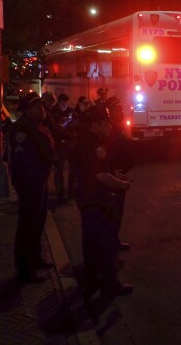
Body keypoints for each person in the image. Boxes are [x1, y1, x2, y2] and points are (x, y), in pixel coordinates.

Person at [72, 104, 134, 298]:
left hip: (86, 196)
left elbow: (99, 170)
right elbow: (100, 176)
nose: (110, 125)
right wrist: (122, 185)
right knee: (105, 242)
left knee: (91, 242)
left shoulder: (88, 141)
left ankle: (92, 279)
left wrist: (114, 174)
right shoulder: (94, 146)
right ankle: (110, 284)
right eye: (106, 121)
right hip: (94, 199)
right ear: (96, 124)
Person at [9, 92, 55, 283]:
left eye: (42, 106)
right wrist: (30, 182)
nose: (41, 109)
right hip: (30, 184)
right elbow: (22, 161)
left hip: (39, 181)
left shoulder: (36, 126)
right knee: (28, 225)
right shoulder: (22, 129)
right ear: (27, 110)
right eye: (37, 107)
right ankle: (25, 270)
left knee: (38, 222)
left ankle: (36, 259)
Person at [106, 95, 135, 251]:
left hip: (119, 174)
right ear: (111, 110)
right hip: (113, 177)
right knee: (112, 212)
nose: (121, 110)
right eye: (118, 108)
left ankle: (114, 240)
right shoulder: (109, 129)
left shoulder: (117, 126)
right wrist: (113, 172)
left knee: (117, 212)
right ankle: (110, 244)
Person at [50, 93, 75, 203]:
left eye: (66, 103)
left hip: (70, 143)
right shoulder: (53, 112)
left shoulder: (71, 111)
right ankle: (60, 191)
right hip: (59, 144)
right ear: (58, 102)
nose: (64, 105)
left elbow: (76, 124)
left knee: (73, 168)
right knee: (59, 168)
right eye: (62, 103)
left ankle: (71, 191)